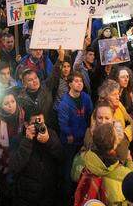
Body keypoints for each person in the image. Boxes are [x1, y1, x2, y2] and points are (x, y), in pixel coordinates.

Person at [8, 105, 64, 206]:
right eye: (35, 123)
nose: (39, 126)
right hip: (27, 195)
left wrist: (49, 141)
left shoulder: (50, 134)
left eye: (41, 122)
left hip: (48, 193)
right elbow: (14, 167)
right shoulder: (17, 140)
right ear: (26, 124)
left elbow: (61, 157)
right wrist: (27, 141)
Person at [77, 123, 133, 206]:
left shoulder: (86, 159)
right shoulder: (121, 172)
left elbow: (75, 175)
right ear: (115, 144)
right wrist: (129, 161)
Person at [58, 72, 93, 201]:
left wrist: (90, 131)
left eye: (81, 81)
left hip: (84, 139)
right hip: (70, 142)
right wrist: (70, 135)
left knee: (83, 167)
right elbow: (63, 124)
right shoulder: (64, 103)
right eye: (76, 81)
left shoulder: (86, 98)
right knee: (70, 167)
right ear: (70, 84)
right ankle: (68, 195)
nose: (80, 83)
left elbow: (90, 115)